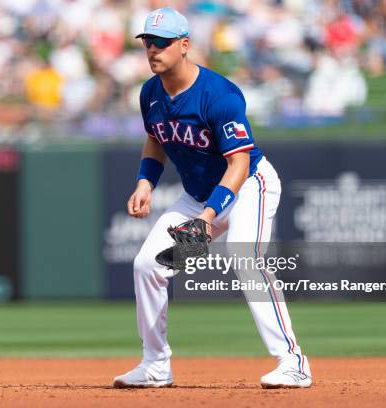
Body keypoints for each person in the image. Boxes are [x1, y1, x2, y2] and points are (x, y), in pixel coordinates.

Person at [113, 8, 312, 389]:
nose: (153, 50)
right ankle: (155, 365)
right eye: (148, 42)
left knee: (244, 254)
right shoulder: (150, 92)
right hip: (198, 197)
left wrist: (206, 217)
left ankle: (293, 362)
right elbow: (156, 138)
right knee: (149, 266)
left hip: (249, 187)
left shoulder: (218, 94)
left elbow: (238, 163)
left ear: (184, 45)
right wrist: (145, 182)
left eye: (163, 42)